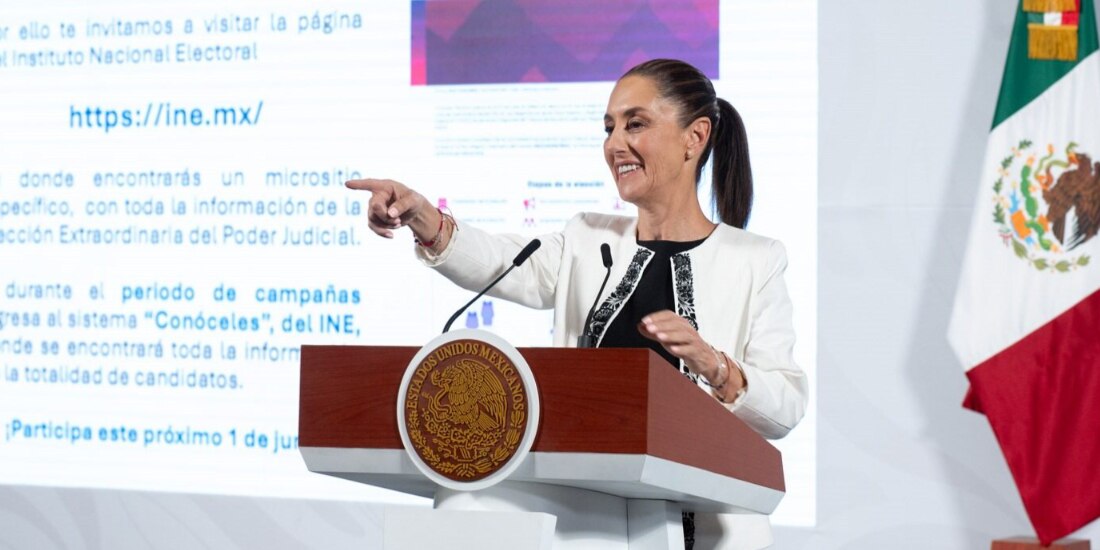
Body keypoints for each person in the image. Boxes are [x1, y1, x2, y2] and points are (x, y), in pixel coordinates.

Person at [347, 59, 807, 550]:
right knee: (464, 503)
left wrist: (713, 365)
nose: (614, 144)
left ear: (694, 137)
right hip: (588, 515)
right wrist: (422, 218)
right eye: (609, 128)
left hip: (699, 519)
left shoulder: (756, 261)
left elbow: (785, 405)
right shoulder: (587, 238)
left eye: (636, 124)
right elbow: (500, 261)